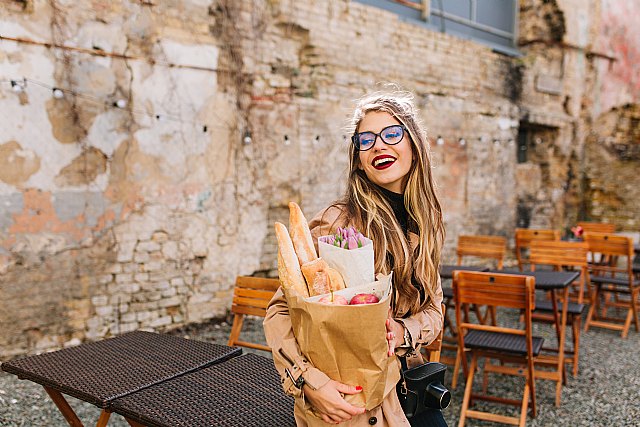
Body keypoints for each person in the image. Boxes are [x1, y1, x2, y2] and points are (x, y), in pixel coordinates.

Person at [264, 90, 446, 426]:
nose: (379, 145)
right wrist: (308, 382)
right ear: (359, 157)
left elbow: (435, 309)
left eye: (392, 134)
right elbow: (280, 310)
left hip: (411, 390)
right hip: (354, 401)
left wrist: (405, 331)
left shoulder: (426, 223)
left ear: (414, 145)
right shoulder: (337, 223)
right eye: (367, 140)